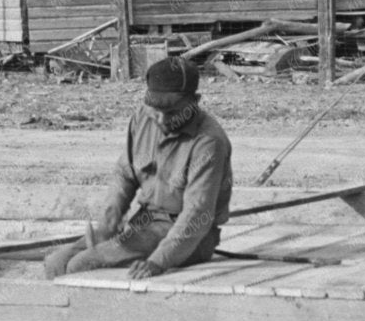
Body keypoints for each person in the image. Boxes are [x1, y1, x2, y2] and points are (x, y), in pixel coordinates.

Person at [43, 55, 234, 280]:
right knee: (56, 263)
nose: (161, 120)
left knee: (82, 265)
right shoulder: (142, 118)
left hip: (188, 238)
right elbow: (124, 175)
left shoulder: (209, 142)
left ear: (195, 101)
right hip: (143, 225)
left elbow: (196, 214)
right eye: (155, 110)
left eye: (172, 112)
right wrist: (108, 224)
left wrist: (158, 262)